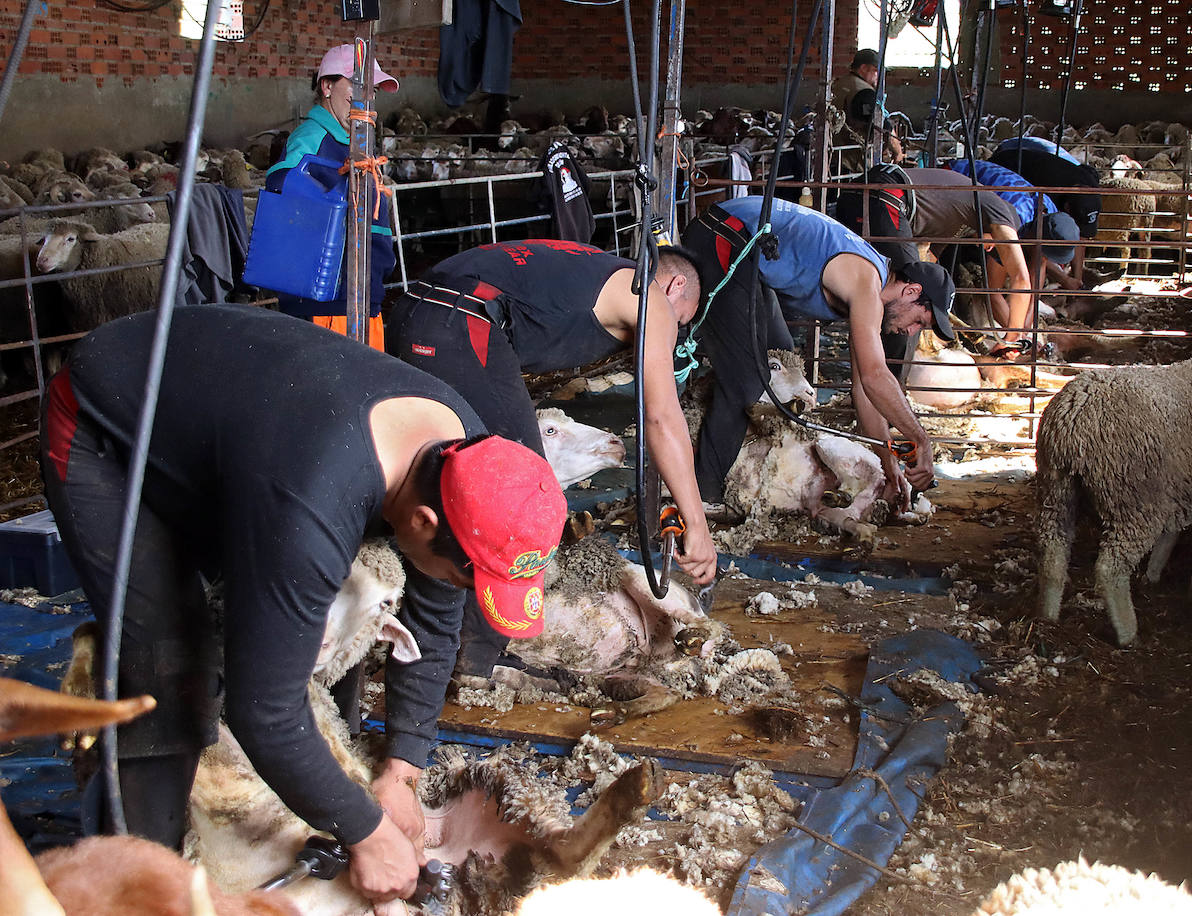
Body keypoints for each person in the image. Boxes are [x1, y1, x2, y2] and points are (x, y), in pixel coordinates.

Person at [39, 304, 567, 908]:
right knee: (170, 653)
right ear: (423, 521)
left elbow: (437, 611)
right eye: (465, 573)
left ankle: (322, 784)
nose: (462, 587)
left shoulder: (469, 460)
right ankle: (140, 876)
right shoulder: (311, 504)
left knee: (304, 624)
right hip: (104, 422)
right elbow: (262, 707)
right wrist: (367, 832)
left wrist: (401, 769)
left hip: (250, 429)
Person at [386, 240, 717, 674]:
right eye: (682, 319)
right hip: (462, 321)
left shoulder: (592, 271)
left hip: (415, 308)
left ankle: (427, 637)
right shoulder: (651, 298)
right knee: (516, 493)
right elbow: (661, 420)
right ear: (675, 285)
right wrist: (697, 523)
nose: (674, 332)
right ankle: (476, 660)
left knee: (448, 476)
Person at [680, 196, 957, 505]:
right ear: (911, 291)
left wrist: (889, 464)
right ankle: (702, 493)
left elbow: (864, 391)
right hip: (724, 235)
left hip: (747, 253)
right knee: (745, 380)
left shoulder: (868, 293)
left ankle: (740, 451)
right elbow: (875, 376)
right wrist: (921, 440)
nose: (911, 332)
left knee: (780, 354)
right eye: (919, 320)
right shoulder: (867, 281)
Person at [263, 44, 400, 350]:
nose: (366, 96)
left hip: (361, 296)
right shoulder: (313, 138)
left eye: (373, 89)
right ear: (327, 86)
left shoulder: (352, 143)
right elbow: (282, 186)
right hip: (328, 303)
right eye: (356, 85)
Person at [835, 166, 1040, 359]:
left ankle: (869, 365)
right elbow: (1021, 278)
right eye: (995, 242)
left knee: (892, 288)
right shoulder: (997, 208)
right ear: (1002, 228)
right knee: (912, 295)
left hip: (862, 195)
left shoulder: (958, 220)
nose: (989, 248)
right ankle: (893, 382)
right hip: (886, 196)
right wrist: (1013, 338)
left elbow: (928, 264)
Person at [988, 139, 1101, 286]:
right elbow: (1037, 246)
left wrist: (1077, 280)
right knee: (1018, 247)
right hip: (1006, 169)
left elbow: (1081, 237)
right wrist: (1064, 279)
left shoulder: (1091, 191)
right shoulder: (1044, 198)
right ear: (1066, 208)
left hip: (1031, 173)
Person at [830, 49, 904, 174]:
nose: (878, 76)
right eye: (876, 71)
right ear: (864, 68)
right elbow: (882, 126)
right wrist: (898, 152)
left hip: (832, 154)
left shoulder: (839, 84)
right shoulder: (863, 92)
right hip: (853, 160)